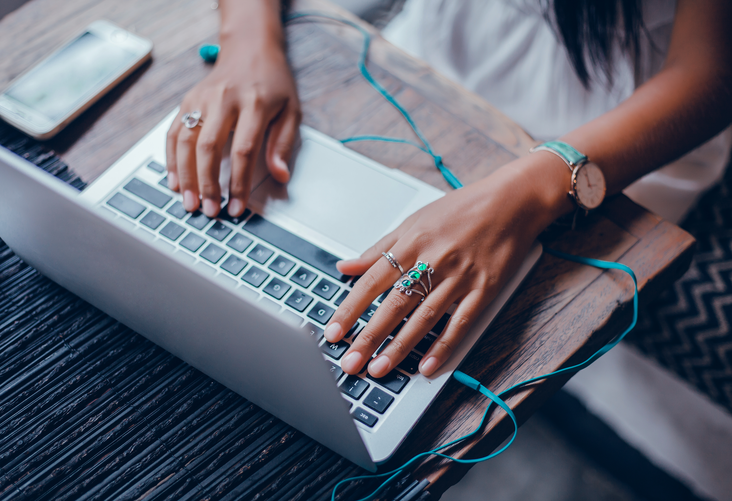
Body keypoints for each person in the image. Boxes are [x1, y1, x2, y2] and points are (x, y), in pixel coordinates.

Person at [165, 0, 732, 382]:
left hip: (618, 131)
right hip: (424, 59)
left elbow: (711, 77)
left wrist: (530, 190)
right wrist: (246, 44)